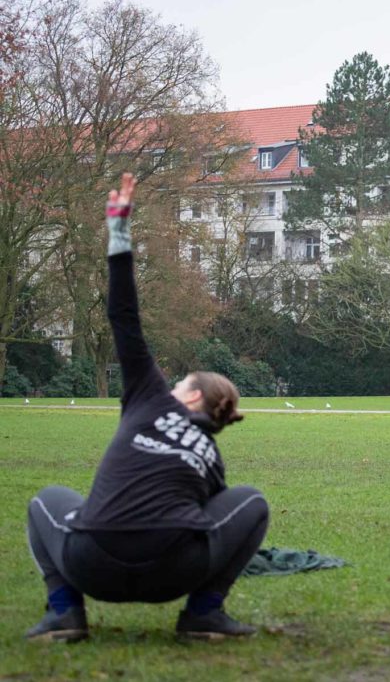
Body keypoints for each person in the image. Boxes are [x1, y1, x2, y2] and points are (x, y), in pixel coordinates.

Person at [25, 174, 269, 642]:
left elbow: (124, 317)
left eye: (180, 383)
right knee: (251, 501)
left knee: (44, 500)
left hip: (91, 563)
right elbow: (207, 515)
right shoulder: (212, 458)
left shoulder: (149, 396)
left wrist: (119, 232)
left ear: (192, 395)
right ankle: (203, 613)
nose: (172, 385)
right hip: (173, 572)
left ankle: (64, 613)